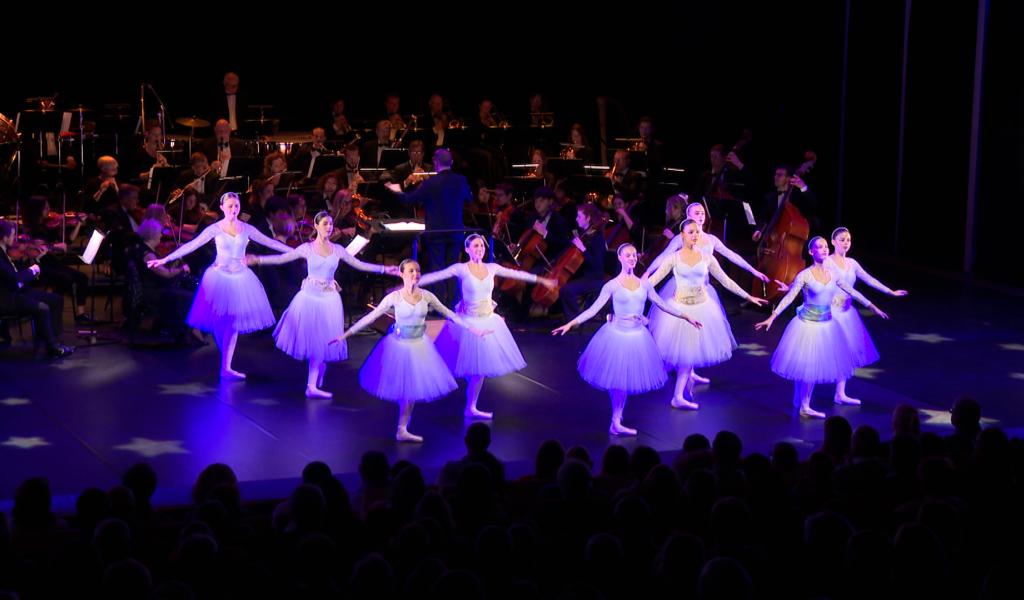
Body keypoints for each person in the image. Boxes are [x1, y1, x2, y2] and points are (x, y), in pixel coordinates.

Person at [333, 259, 491, 443]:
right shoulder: (394, 297)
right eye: (410, 271)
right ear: (402, 274)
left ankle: (402, 428)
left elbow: (451, 314)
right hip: (399, 346)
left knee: (412, 391)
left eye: (417, 270)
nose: (415, 274)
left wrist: (474, 329)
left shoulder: (427, 296)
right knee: (405, 390)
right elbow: (371, 317)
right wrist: (346, 334)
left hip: (419, 346)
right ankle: (401, 427)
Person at [552, 243, 701, 435]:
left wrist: (685, 316)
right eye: (628, 255)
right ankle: (616, 420)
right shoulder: (612, 285)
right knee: (619, 381)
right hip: (617, 336)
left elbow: (662, 304)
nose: (632, 258)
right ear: (620, 259)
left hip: (637, 336)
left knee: (625, 381)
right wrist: (571, 323)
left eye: (634, 255)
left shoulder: (644, 285)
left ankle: (617, 420)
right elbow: (593, 309)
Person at [248, 211, 400, 398]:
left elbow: (359, 264)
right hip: (310, 299)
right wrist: (258, 259)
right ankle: (311, 386)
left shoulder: (337, 250)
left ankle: (315, 377)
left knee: (324, 341)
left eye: (330, 224)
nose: (329, 227)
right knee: (315, 342)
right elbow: (281, 259)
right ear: (316, 226)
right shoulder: (307, 248)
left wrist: (385, 269)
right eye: (325, 224)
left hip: (329, 300)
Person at [147, 192, 294, 379]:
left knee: (232, 324)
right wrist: (165, 259)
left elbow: (271, 242)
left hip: (240, 278)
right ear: (222, 208)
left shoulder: (246, 228)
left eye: (236, 206)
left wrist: (299, 251)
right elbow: (191, 245)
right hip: (219, 277)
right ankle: (225, 361)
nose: (234, 209)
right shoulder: (215, 228)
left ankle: (227, 367)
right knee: (220, 322)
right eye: (230, 206)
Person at [417, 234, 556, 419]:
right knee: (451, 364)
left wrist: (542, 280)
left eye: (481, 246)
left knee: (479, 370)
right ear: (467, 249)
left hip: (488, 321)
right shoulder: (461, 268)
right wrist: (410, 284)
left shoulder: (492, 268)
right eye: (475, 246)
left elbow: (517, 274)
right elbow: (437, 276)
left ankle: (471, 407)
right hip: (468, 322)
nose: (479, 249)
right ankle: (427, 391)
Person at [755, 237, 889, 418]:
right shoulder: (805, 275)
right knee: (808, 366)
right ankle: (804, 406)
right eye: (820, 247)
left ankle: (804, 401)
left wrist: (872, 306)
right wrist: (772, 317)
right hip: (808, 325)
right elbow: (789, 297)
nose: (825, 250)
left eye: (826, 246)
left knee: (814, 365)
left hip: (827, 325)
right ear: (811, 252)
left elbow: (853, 292)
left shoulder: (834, 275)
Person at [646, 219, 768, 409]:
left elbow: (726, 281)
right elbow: (651, 283)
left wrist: (748, 296)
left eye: (697, 231)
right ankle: (677, 393)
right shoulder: (674, 258)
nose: (695, 235)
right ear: (682, 235)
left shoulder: (706, 257)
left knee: (689, 354)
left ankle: (678, 395)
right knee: (683, 354)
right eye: (691, 232)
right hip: (680, 310)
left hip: (702, 308)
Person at [826, 227, 907, 404]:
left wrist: (890, 291)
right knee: (823, 353)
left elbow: (869, 279)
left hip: (847, 313)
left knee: (845, 352)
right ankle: (805, 400)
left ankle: (840, 393)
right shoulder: (827, 261)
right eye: (842, 239)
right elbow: (811, 275)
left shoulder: (852, 263)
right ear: (833, 242)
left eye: (848, 239)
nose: (846, 242)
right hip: (831, 312)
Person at [384, 148, 473, 304]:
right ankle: (453, 305)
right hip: (456, 232)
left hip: (436, 233)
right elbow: (469, 199)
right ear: (451, 163)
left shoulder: (430, 183)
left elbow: (409, 200)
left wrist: (398, 190)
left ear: (436, 163)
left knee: (438, 270)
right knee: (453, 268)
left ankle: (439, 306)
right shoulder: (461, 180)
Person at [0, 219, 73, 357]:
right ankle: (52, 346)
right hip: (7, 297)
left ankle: (52, 339)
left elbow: (14, 276)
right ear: (4, 238)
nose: (14, 238)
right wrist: (33, 270)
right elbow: (14, 278)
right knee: (42, 307)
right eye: (12, 235)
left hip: (16, 290)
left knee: (56, 300)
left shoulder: (3, 251)